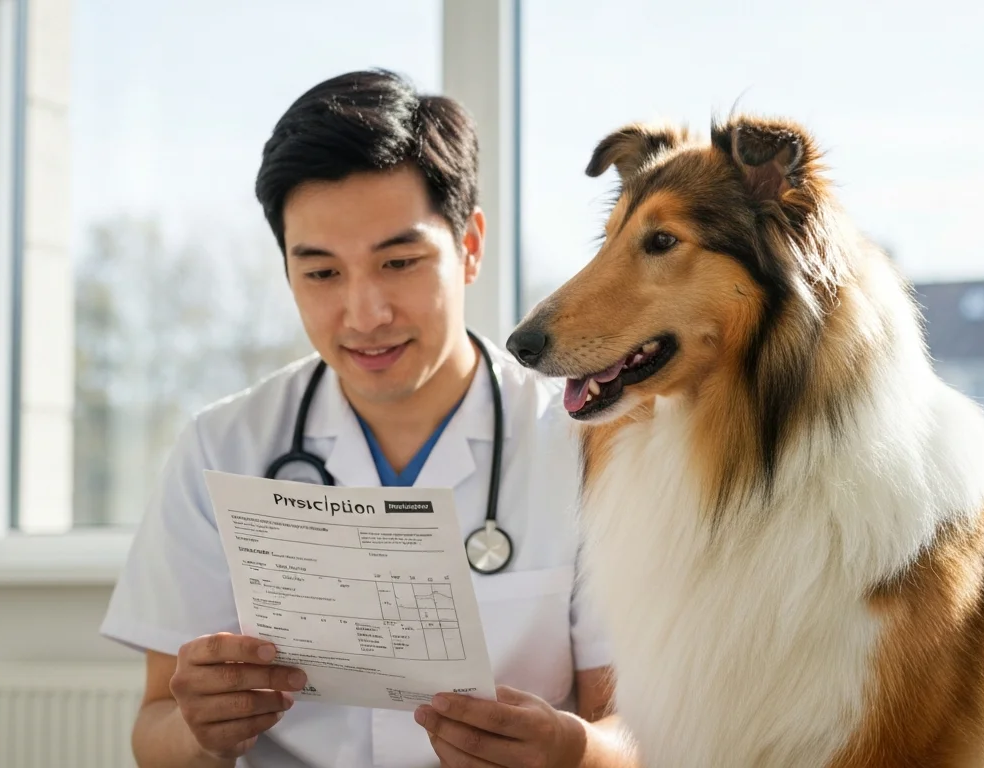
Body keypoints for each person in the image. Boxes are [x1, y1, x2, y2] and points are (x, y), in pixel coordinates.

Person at [99, 69, 638, 768]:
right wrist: (201, 731)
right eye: (321, 273)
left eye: (399, 261)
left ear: (469, 247)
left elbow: (629, 726)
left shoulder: (580, 443)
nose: (365, 315)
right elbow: (155, 734)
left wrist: (576, 752)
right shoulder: (222, 447)